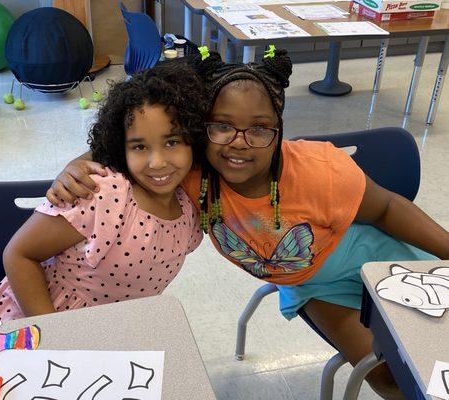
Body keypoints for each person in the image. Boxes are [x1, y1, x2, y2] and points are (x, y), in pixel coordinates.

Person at [45, 47, 449, 399]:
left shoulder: (322, 170)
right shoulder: (191, 170)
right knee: (390, 377)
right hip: (312, 285)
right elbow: (126, 145)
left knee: (431, 360)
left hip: (376, 261)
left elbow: (386, 209)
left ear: (279, 131)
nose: (239, 141)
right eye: (221, 126)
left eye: (258, 128)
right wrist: (74, 167)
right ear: (200, 130)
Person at [0, 61, 205, 322]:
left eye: (172, 142)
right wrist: (55, 334)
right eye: (139, 147)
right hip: (38, 325)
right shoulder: (103, 194)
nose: (158, 162)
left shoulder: (189, 205)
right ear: (120, 148)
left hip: (109, 328)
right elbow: (19, 255)